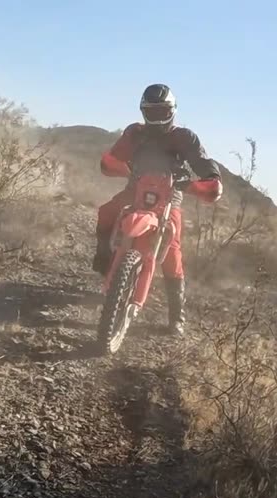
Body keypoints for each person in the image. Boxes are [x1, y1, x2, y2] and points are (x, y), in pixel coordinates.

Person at [94, 84, 224, 336]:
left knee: (173, 251)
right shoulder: (134, 132)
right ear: (143, 111)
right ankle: (102, 259)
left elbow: (204, 164)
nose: (156, 118)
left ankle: (177, 317)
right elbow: (113, 158)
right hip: (136, 189)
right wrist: (116, 165)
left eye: (162, 112)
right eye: (151, 112)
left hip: (170, 197)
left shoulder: (185, 137)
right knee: (107, 212)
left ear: (172, 111)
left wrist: (207, 181)